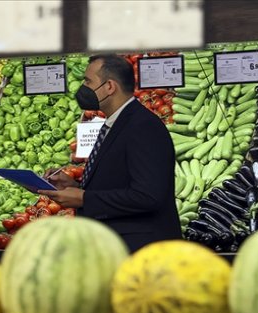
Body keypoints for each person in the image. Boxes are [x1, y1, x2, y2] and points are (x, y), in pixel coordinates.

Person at [40, 54, 181, 252]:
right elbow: (120, 181)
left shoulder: (143, 126)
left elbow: (148, 196)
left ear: (109, 87)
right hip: (117, 247)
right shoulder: (116, 123)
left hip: (141, 251)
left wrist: (84, 198)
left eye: (88, 81)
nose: (83, 88)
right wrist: (74, 185)